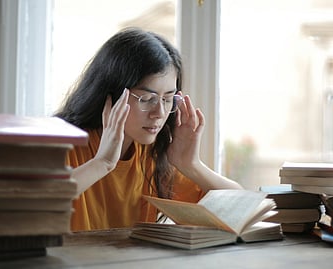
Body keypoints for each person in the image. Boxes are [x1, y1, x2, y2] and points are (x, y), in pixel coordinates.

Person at [56, 27, 243, 231]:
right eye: (147, 99)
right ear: (111, 95)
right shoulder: (62, 144)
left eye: (168, 99)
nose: (159, 112)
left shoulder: (152, 154)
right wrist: (103, 163)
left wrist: (191, 164)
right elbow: (30, 204)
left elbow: (240, 209)